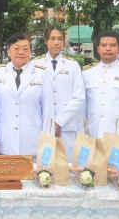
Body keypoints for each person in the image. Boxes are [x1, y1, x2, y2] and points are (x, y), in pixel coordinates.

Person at [0, 33, 54, 157]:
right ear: (8, 51)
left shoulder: (41, 74)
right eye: (16, 48)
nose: (21, 52)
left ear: (30, 52)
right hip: (5, 140)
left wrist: (48, 141)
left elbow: (48, 109)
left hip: (32, 141)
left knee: (32, 176)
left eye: (25, 49)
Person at [33, 26, 84, 161]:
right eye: (52, 38)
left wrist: (58, 122)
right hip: (42, 126)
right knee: (43, 168)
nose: (56, 42)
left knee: (66, 168)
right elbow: (33, 97)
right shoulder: (35, 64)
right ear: (46, 41)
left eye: (60, 39)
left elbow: (79, 98)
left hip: (66, 127)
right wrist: (49, 123)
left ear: (64, 41)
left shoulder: (73, 65)